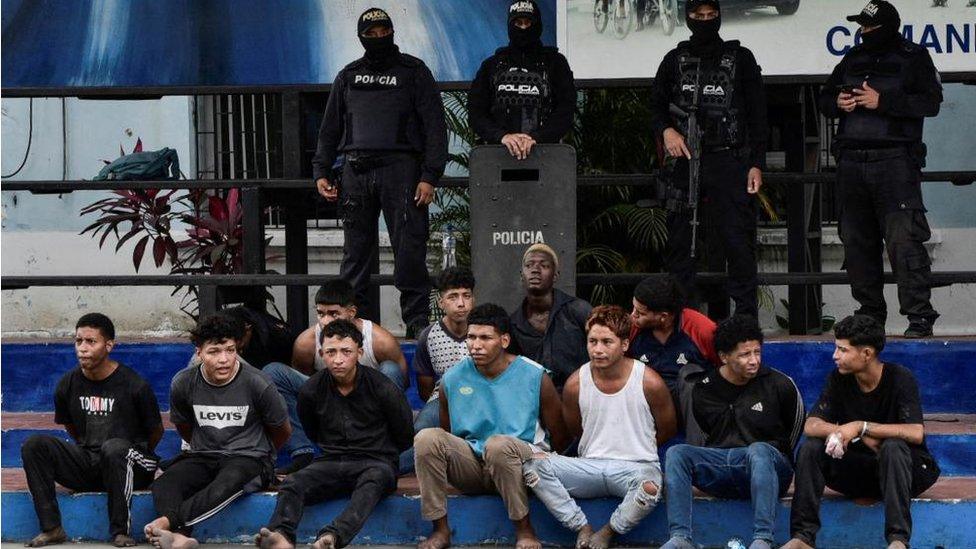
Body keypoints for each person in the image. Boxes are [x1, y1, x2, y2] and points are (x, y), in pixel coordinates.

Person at [312, 7, 448, 337]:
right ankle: (355, 323)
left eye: (382, 31)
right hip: (356, 171)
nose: (377, 38)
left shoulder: (413, 71)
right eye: (370, 33)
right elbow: (330, 128)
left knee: (409, 250)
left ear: (392, 31)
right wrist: (321, 171)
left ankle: (416, 322)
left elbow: (435, 127)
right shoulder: (348, 75)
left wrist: (429, 176)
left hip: (402, 171)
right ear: (361, 37)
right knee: (355, 253)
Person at [819, 1, 942, 338]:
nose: (864, 32)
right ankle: (870, 316)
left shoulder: (914, 56)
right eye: (861, 26)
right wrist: (838, 104)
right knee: (857, 242)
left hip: (895, 162)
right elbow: (825, 98)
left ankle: (919, 318)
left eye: (870, 26)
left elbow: (931, 103)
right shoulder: (853, 58)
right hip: (852, 163)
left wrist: (883, 102)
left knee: (904, 241)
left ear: (887, 27)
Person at [414, 303, 568, 549]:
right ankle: (440, 530)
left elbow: (559, 434)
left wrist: (546, 462)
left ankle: (524, 530)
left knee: (498, 445)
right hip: (474, 467)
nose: (475, 345)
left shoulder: (535, 375)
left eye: (485, 338)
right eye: (471, 337)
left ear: (504, 340)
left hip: (522, 468)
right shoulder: (452, 378)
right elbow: (448, 432)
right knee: (427, 437)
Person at [649, 0, 768, 318]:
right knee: (680, 241)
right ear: (687, 18)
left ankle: (744, 317)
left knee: (737, 240)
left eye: (710, 15)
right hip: (685, 162)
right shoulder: (675, 60)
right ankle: (683, 317)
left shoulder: (740, 59)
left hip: (729, 161)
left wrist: (757, 163)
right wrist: (667, 132)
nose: (704, 21)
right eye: (697, 16)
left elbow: (758, 115)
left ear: (719, 16)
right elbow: (656, 106)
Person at [524, 306, 677, 549]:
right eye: (592, 341)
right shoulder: (576, 383)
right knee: (533, 466)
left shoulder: (649, 381)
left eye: (607, 342)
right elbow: (576, 430)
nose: (598, 349)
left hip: (635, 468)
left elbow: (667, 428)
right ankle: (581, 526)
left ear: (625, 345)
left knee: (651, 485)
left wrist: (636, 447)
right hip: (589, 467)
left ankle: (607, 532)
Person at [782, 315, 940, 549]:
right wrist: (843, 432)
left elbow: (915, 432)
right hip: (856, 471)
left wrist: (860, 426)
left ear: (867, 353)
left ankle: (898, 541)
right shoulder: (839, 379)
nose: (835, 356)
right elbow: (811, 424)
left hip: (903, 474)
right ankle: (802, 537)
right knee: (810, 448)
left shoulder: (900, 378)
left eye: (842, 350)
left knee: (893, 446)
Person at [255, 320, 414, 549]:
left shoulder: (382, 387)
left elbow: (404, 432)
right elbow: (312, 429)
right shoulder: (312, 389)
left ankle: (332, 537)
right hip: (332, 460)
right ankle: (281, 534)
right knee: (293, 482)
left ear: (359, 352)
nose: (338, 359)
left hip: (376, 462)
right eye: (331, 352)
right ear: (321, 353)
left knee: (374, 481)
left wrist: (384, 456)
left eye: (346, 351)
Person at [145, 313, 291, 549]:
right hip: (204, 455)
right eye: (214, 352)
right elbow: (185, 427)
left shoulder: (257, 382)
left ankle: (169, 523)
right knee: (165, 482)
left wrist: (260, 455)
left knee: (229, 479)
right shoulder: (183, 382)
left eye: (230, 350)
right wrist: (207, 447)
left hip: (250, 458)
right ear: (199, 352)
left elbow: (281, 431)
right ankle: (180, 537)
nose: (224, 359)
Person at [661, 315, 805, 549]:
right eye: (744, 354)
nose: (753, 360)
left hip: (770, 468)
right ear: (724, 357)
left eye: (757, 352)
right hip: (723, 465)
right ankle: (680, 538)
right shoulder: (705, 388)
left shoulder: (779, 384)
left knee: (759, 450)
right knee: (677, 453)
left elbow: (795, 428)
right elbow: (706, 430)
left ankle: (762, 539)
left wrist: (769, 455)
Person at [21, 313, 163, 548]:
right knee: (34, 445)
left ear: (108, 346)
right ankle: (52, 528)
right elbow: (72, 427)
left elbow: (154, 431)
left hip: (133, 465)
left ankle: (120, 531)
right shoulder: (67, 384)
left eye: (91, 342)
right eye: (78, 341)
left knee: (114, 448)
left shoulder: (134, 384)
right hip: (90, 462)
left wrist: (124, 455)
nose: (82, 349)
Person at [275, 280, 409, 474]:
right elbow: (305, 396)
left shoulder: (380, 341)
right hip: (330, 404)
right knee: (274, 372)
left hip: (371, 411)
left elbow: (400, 388)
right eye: (321, 313)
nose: (325, 321)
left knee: (390, 369)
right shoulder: (307, 342)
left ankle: (387, 454)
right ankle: (303, 451)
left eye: (333, 313)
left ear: (351, 312)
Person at [468, 0, 575, 160]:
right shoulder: (492, 65)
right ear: (510, 26)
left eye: (528, 22)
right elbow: (476, 112)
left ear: (537, 24)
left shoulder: (556, 63)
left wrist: (537, 138)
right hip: (498, 156)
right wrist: (502, 136)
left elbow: (566, 109)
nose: (524, 28)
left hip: (546, 156)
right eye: (518, 23)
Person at [400, 267, 475, 473]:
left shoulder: (483, 330)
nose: (461, 303)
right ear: (441, 302)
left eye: (466, 296)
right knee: (420, 431)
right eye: (453, 297)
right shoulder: (429, 335)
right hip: (442, 398)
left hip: (480, 397)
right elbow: (425, 388)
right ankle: (387, 468)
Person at [628, 275, 718, 442]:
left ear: (663, 316)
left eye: (640, 313)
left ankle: (697, 452)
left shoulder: (702, 329)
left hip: (691, 405)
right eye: (633, 309)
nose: (633, 316)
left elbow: (725, 367)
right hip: (648, 403)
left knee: (691, 374)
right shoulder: (631, 329)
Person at [510, 243, 592, 389]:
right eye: (529, 265)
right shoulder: (514, 323)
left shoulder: (579, 310)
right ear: (522, 275)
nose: (535, 270)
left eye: (544, 265)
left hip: (578, 397)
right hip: (536, 403)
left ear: (555, 275)